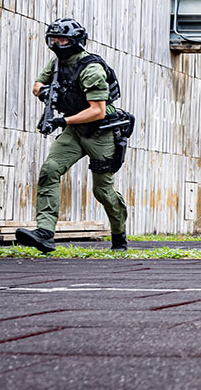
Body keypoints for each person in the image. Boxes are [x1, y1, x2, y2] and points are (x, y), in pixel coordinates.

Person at [16, 18, 132, 253]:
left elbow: (97, 111)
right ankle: (45, 233)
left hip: (101, 133)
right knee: (50, 169)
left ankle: (119, 237)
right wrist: (46, 92)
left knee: (103, 191)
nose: (57, 44)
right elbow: (37, 85)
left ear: (76, 41)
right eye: (53, 39)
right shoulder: (58, 63)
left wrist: (62, 120)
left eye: (63, 40)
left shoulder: (92, 70)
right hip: (74, 130)